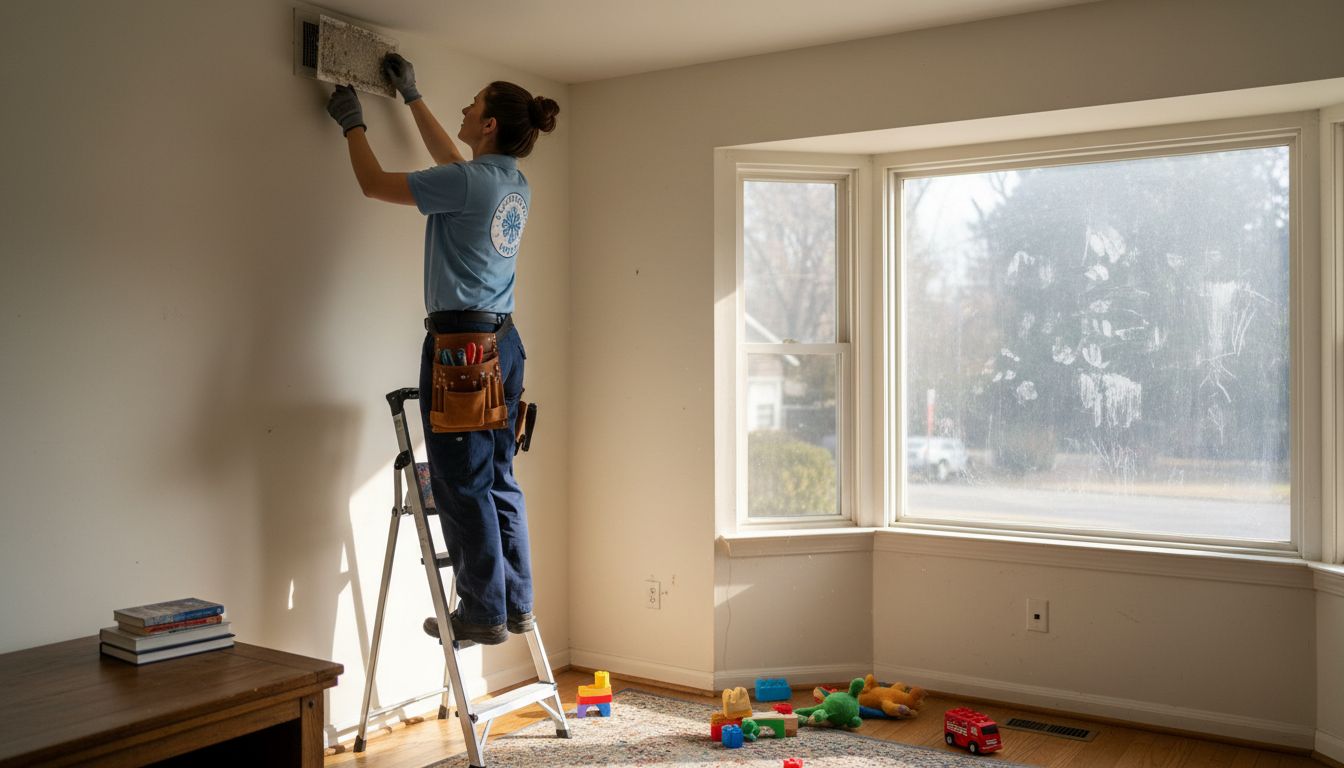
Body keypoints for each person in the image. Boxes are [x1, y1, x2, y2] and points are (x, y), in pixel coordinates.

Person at [325, 54, 559, 646]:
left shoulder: (468, 182)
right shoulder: (510, 182)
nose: (463, 108)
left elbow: (374, 184)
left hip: (461, 353)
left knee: (461, 482)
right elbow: (452, 165)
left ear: (488, 125)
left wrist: (352, 123)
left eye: (472, 103)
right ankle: (516, 603)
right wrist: (411, 96)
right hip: (501, 345)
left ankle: (481, 611)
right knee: (500, 478)